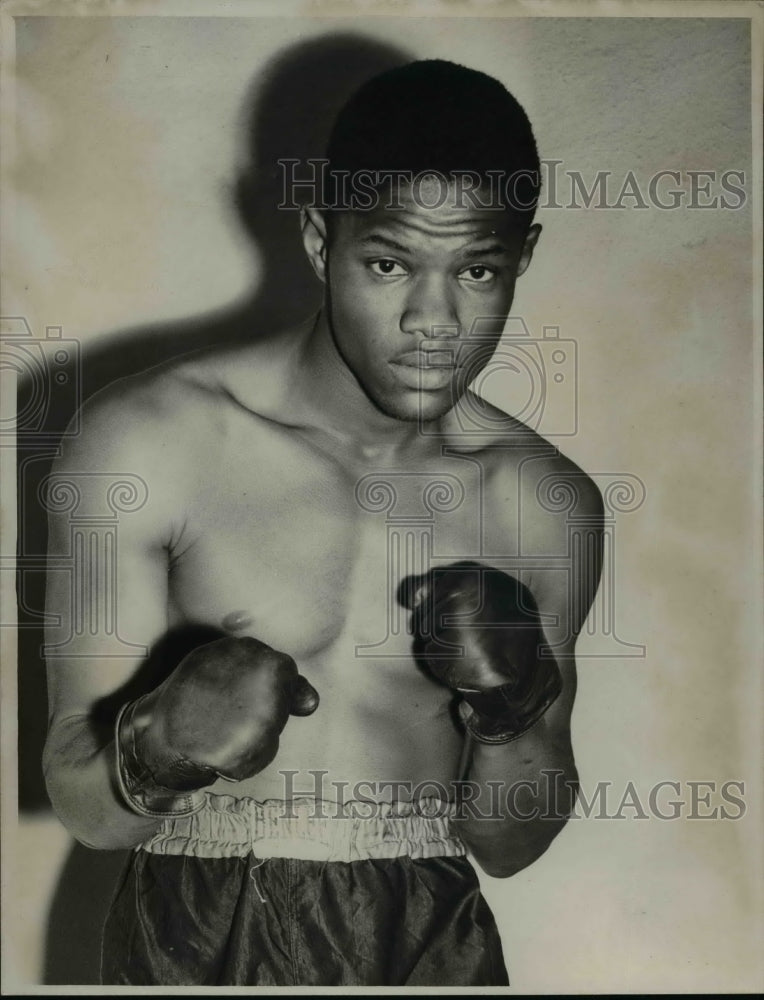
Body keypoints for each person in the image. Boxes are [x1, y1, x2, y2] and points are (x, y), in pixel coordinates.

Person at [43, 59, 603, 986]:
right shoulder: (148, 439)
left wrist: (518, 712)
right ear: (318, 240)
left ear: (523, 259)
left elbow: (511, 841)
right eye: (388, 264)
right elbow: (87, 808)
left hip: (429, 942)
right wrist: (154, 751)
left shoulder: (544, 501)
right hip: (194, 936)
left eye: (477, 270)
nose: (435, 320)